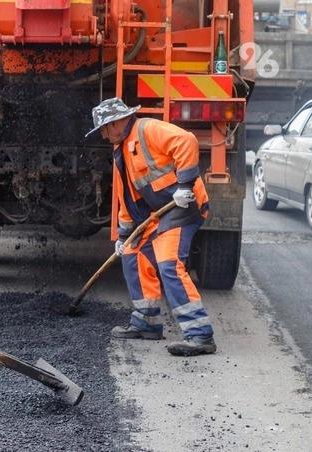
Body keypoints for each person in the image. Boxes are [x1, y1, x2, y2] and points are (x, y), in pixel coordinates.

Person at [86, 97, 216, 357]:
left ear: (119, 121)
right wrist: (124, 236)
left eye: (105, 128)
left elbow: (186, 141)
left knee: (168, 263)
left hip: (182, 207)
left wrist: (185, 186)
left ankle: (200, 334)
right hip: (159, 213)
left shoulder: (147, 130)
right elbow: (126, 199)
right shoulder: (120, 150)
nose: (102, 134)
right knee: (132, 253)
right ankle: (147, 322)